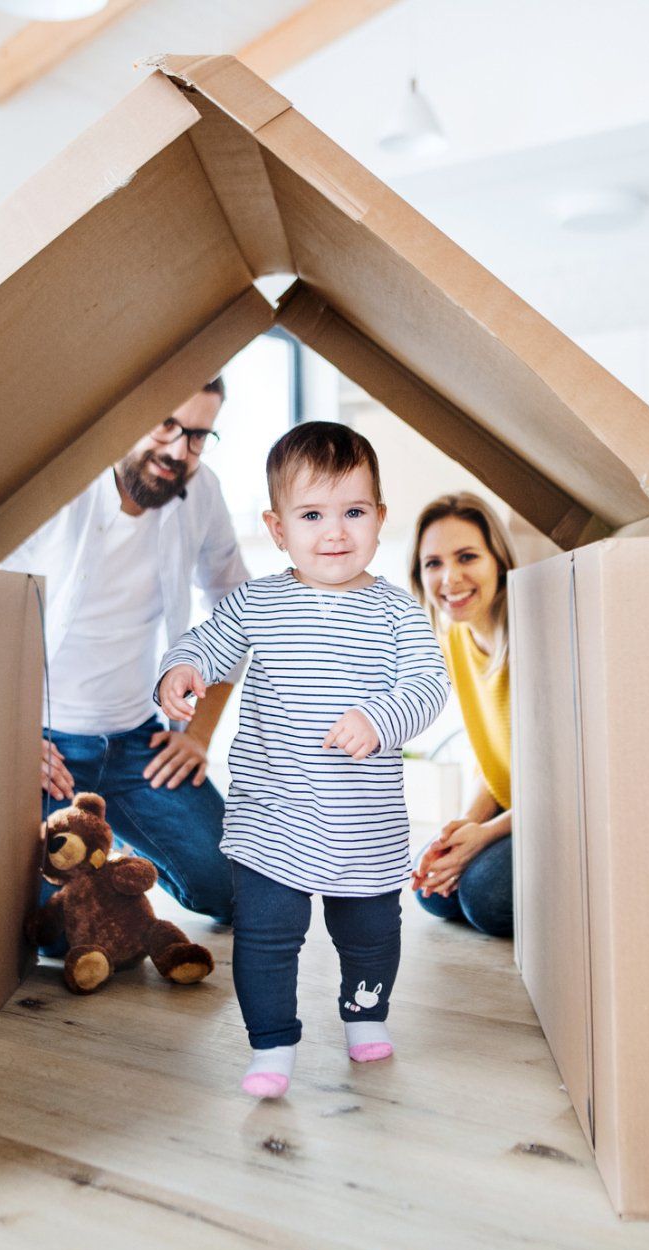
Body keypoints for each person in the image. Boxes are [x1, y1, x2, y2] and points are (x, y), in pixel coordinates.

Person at [157, 422, 448, 1099]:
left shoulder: (398, 613)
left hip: (363, 822)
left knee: (372, 933)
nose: (335, 532)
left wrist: (381, 717)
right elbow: (205, 643)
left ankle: (364, 1012)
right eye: (312, 515)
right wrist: (182, 670)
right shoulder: (257, 603)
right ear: (279, 527)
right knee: (265, 936)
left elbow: (428, 685)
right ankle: (272, 1044)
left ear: (379, 519)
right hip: (273, 816)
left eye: (353, 512)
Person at [2, 378, 248, 942]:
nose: (177, 452)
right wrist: (9, 739)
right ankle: (103, 854)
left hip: (139, 745)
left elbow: (236, 608)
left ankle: (114, 839)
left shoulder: (201, 491)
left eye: (198, 436)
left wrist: (199, 735)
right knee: (52, 930)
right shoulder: (56, 484)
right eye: (166, 425)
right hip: (46, 749)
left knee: (234, 889)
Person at [407, 492, 519, 939]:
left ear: (498, 561)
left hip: (559, 813)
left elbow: (568, 786)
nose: (449, 578)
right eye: (433, 563)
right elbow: (491, 762)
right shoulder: (454, 637)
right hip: (513, 808)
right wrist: (465, 827)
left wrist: (487, 835)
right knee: (431, 890)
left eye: (467, 556)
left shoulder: (535, 629)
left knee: (485, 897)